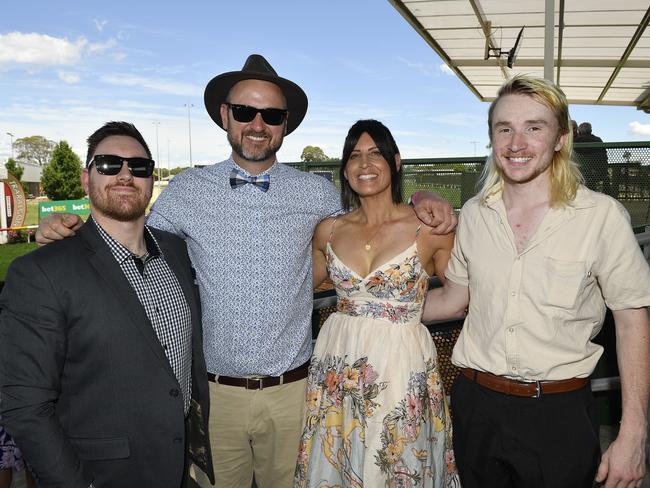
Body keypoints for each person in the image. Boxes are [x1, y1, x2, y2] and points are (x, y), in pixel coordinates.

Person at [35, 55, 457, 488]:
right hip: (216, 397)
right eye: (244, 111)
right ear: (224, 116)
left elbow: (373, 220)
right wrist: (67, 230)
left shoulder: (317, 195)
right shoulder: (185, 191)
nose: (257, 124)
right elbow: (126, 238)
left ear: (285, 124)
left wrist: (425, 196)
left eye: (270, 114)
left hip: (296, 394)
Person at [422, 75, 650, 488]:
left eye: (534, 127)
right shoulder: (474, 214)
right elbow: (454, 299)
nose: (516, 143)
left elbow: (634, 320)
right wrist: (374, 307)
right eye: (504, 128)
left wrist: (633, 434)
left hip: (558, 415)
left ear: (561, 138)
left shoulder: (601, 217)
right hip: (476, 404)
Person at [0, 122, 213, 487]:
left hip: (178, 468)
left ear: (151, 179)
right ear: (87, 179)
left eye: (139, 167)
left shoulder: (176, 250)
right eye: (109, 165)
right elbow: (24, 404)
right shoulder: (41, 271)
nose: (126, 175)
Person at [295, 120, 459, 487]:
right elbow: (298, 289)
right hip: (339, 364)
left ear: (396, 162)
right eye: (354, 156)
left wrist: (426, 194)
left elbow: (464, 295)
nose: (364, 163)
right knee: (338, 460)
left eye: (375, 154)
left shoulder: (430, 227)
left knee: (398, 461)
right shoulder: (329, 230)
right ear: (345, 169)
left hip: (402, 365)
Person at [574, 121, 610, 195]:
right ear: (591, 130)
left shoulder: (576, 142)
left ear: (579, 131)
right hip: (601, 171)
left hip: (583, 173)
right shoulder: (598, 140)